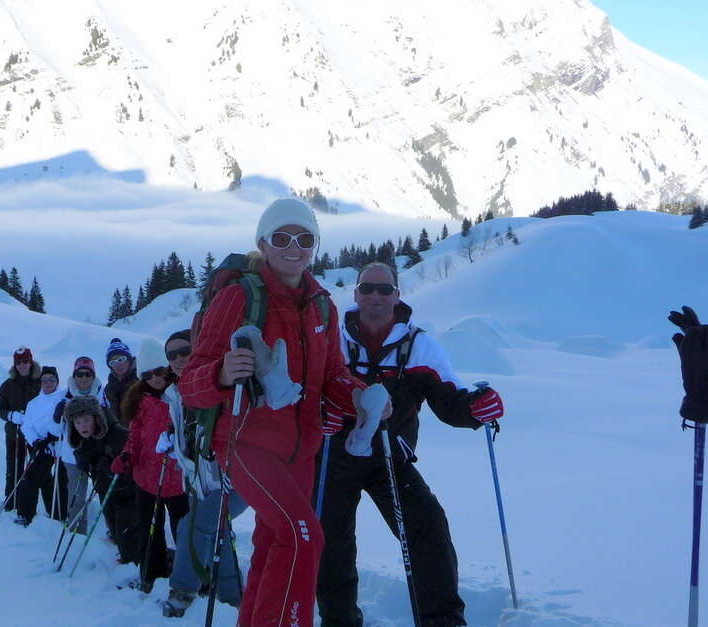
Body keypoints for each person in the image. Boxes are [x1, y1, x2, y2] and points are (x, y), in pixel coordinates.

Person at [179, 198, 374, 627]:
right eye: (282, 237)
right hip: (246, 442)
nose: (293, 247)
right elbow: (189, 383)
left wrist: (359, 396)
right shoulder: (238, 298)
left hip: (301, 451)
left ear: (315, 246)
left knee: (274, 544)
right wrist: (223, 373)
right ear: (263, 243)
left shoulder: (323, 305)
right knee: (303, 537)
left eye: (304, 239)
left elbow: (332, 376)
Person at [314, 261, 506, 627]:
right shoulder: (332, 339)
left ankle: (443, 621)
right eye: (367, 288)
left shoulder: (420, 345)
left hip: (390, 458)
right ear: (355, 294)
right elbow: (307, 393)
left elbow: (449, 400)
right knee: (331, 544)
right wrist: (318, 415)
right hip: (332, 457)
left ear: (397, 296)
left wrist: (476, 409)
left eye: (384, 289)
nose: (375, 296)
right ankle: (339, 620)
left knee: (429, 529)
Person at [161, 329, 247, 617]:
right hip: (201, 480)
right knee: (218, 531)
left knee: (193, 524)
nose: (178, 359)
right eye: (171, 355)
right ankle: (233, 596)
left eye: (184, 351)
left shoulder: (221, 381)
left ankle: (182, 591)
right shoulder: (175, 393)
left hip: (236, 478)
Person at [113, 338, 188, 594]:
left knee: (183, 531)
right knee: (149, 530)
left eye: (158, 371)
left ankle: (188, 578)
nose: (155, 378)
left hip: (177, 478)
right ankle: (151, 574)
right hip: (146, 477)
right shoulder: (140, 400)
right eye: (147, 374)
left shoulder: (180, 394)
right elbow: (135, 436)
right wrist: (127, 455)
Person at [66, 395, 139, 564]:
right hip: (105, 489)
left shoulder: (117, 434)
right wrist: (81, 457)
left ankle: (136, 567)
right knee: (114, 528)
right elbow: (86, 451)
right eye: (77, 423)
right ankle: (128, 561)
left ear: (96, 418)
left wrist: (114, 463)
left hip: (127, 491)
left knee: (126, 532)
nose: (82, 426)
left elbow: (134, 456)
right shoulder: (83, 438)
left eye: (86, 420)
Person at [12, 365, 69, 527]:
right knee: (31, 479)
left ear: (57, 381)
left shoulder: (64, 397)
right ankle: (25, 513)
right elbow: (26, 426)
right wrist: (35, 441)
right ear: (41, 382)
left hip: (60, 446)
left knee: (62, 481)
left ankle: (60, 514)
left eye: (52, 379)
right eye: (45, 380)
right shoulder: (33, 404)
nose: (49, 383)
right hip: (42, 447)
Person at [52, 356, 103, 534]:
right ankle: (77, 530)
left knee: (104, 491)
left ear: (93, 375)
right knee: (76, 495)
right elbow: (54, 428)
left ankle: (112, 531)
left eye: (87, 374)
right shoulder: (64, 395)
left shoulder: (102, 393)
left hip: (99, 453)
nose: (83, 378)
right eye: (79, 374)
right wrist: (57, 416)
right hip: (73, 454)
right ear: (74, 376)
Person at [0, 347, 40, 510]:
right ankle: (11, 499)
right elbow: (0, 409)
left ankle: (30, 503)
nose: (22, 365)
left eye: (25, 361)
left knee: (37, 468)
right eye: (19, 362)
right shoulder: (8, 385)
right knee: (14, 466)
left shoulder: (40, 382)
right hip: (15, 433)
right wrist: (12, 416)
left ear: (31, 362)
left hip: (36, 434)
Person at [102, 338, 137, 424]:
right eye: (112, 363)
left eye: (121, 359)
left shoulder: (143, 380)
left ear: (129, 359)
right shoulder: (108, 389)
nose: (117, 364)